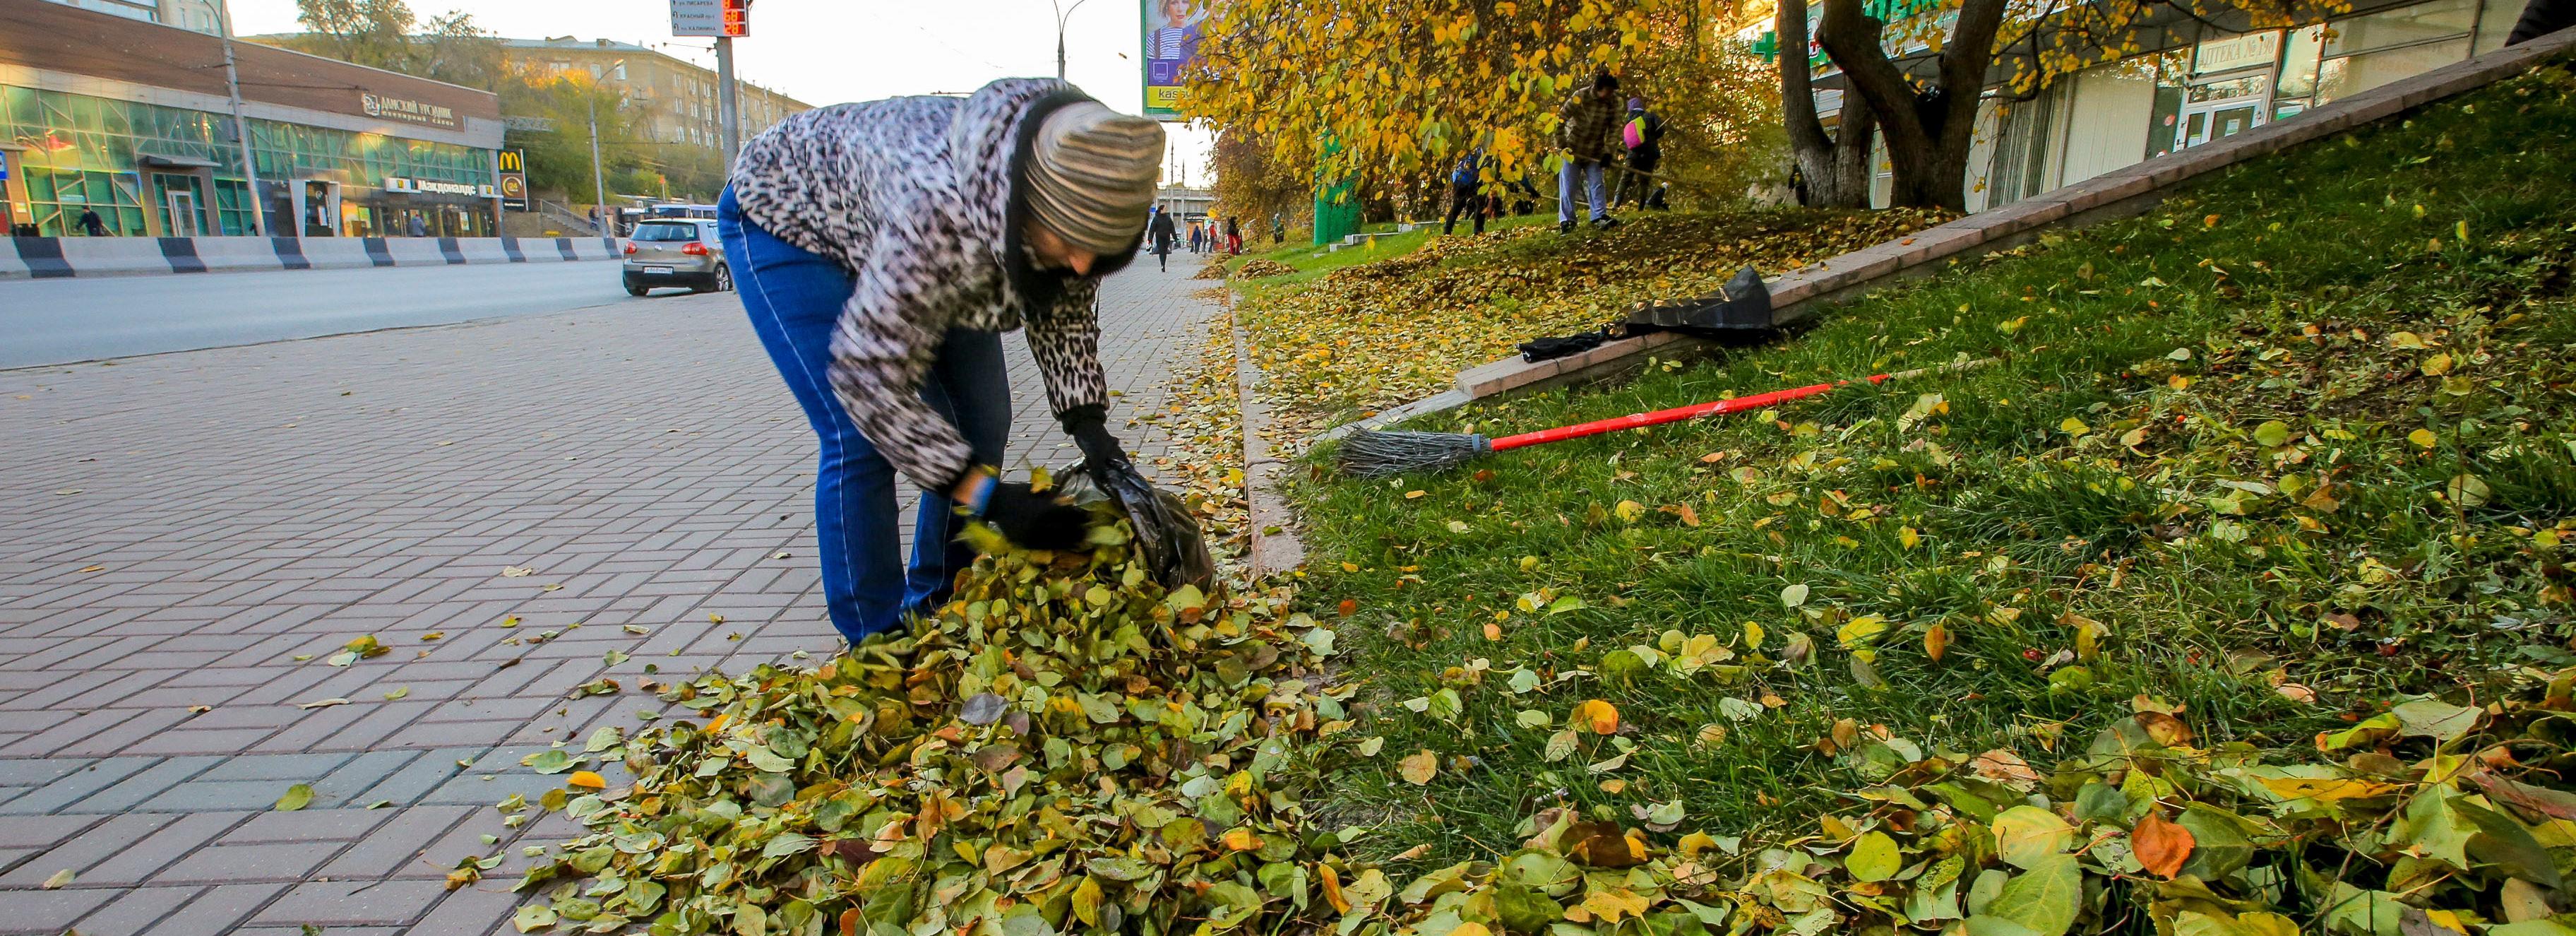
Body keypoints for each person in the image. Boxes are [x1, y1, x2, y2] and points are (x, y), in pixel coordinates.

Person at [722, 78, 1164, 644]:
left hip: (920, 241)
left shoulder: (1077, 169)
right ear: (1026, 207)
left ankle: (941, 598)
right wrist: (992, 499)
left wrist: (1089, 426)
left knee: (984, 422)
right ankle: (876, 643)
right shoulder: (938, 212)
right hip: (791, 218)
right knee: (856, 438)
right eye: (1069, 241)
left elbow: (1063, 310)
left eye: (1098, 247)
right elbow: (869, 385)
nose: (1082, 265)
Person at [1557, 71, 1623, 234]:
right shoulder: (1581, 96)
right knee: (1569, 186)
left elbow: (1615, 129)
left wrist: (1608, 153)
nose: (1611, 94)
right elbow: (1560, 119)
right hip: (1573, 150)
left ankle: (1599, 216)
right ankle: (1567, 221)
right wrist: (1562, 145)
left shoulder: (1613, 103)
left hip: (1595, 151)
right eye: (1609, 90)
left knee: (1597, 184)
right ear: (1600, 88)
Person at [1612, 96, 1669, 211]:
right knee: (1644, 182)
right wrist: (1653, 136)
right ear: (1641, 107)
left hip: (1633, 154)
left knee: (1625, 179)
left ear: (1630, 109)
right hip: (1650, 154)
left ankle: (1615, 205)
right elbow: (1662, 130)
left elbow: (1627, 139)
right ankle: (1641, 209)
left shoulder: (1629, 120)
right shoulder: (1651, 116)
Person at [1443, 146, 1493, 236]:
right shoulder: (1475, 152)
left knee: (1481, 204)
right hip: (1462, 179)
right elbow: (1467, 167)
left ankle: (1478, 231)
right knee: (1458, 205)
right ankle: (1447, 231)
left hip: (1475, 179)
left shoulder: (1490, 154)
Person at [1147, 204, 1177, 271]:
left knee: (1164, 251)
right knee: (1161, 251)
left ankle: (1163, 263)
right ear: (1161, 210)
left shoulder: (1168, 218)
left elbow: (1172, 228)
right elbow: (1152, 230)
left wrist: (1175, 237)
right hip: (1159, 237)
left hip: (1167, 238)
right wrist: (1150, 239)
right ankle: (1162, 265)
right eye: (1165, 209)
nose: (1166, 210)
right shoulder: (1156, 219)